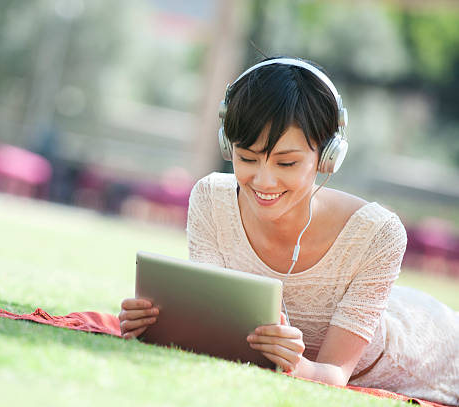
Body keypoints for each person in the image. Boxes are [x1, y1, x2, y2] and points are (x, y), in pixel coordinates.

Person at [118, 57, 459, 405]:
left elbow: (332, 375)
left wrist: (298, 366)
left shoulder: (378, 235)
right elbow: (213, 332)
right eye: (247, 158)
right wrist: (155, 324)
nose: (263, 181)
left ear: (328, 156)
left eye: (287, 163)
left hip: (433, 356)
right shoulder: (211, 199)